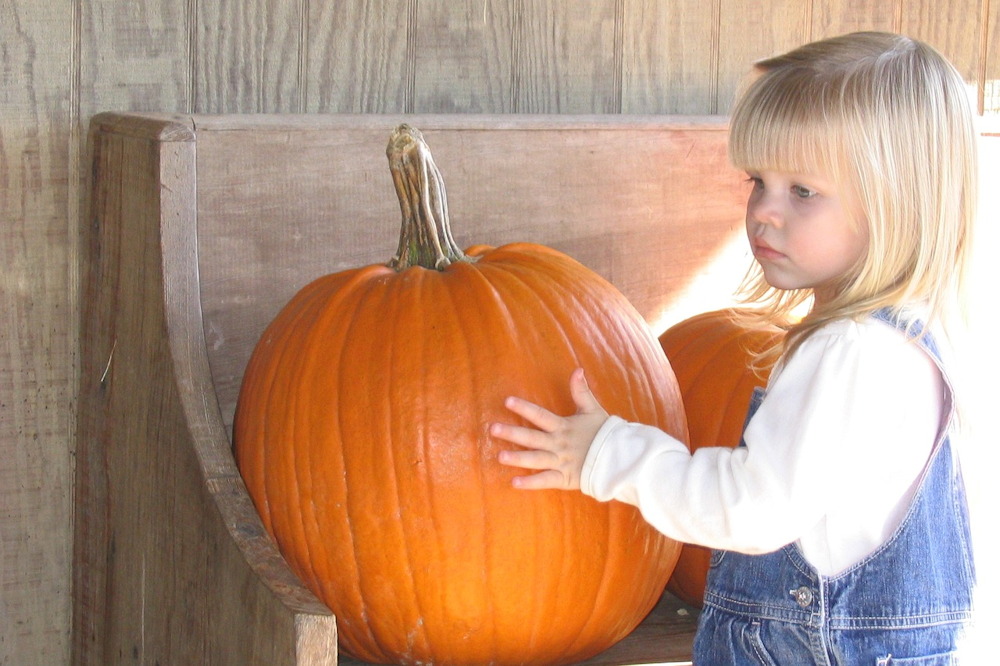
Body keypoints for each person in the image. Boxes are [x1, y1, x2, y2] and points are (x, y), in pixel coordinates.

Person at [489, 31, 977, 664]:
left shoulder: (850, 352)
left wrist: (609, 453)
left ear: (897, 204)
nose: (764, 213)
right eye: (757, 181)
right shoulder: (921, 338)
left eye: (802, 191)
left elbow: (753, 510)